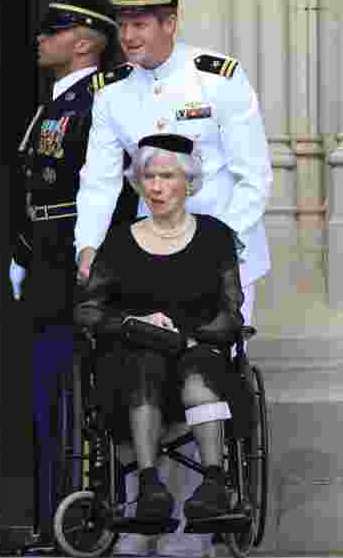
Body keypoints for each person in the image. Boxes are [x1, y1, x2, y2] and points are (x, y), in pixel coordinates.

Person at [74, 0, 272, 557]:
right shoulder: (112, 91)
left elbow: (253, 177)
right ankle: (144, 507)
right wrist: (88, 247)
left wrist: (218, 247)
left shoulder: (217, 79)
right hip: (148, 257)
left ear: (170, 22)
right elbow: (98, 181)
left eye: (141, 23)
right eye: (124, 24)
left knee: (200, 362)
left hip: (222, 255)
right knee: (139, 362)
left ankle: (199, 522)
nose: (129, 36)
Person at [7, 0, 137, 550]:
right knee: (46, 388)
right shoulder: (54, 103)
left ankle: (89, 512)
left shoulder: (104, 97)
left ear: (83, 42)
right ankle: (49, 515)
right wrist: (22, 249)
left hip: (83, 259)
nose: (41, 39)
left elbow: (112, 189)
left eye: (52, 31)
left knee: (84, 388)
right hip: (45, 258)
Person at [74, 133, 246, 533]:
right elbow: (88, 311)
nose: (156, 187)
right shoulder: (120, 240)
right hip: (135, 355)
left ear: (189, 182)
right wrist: (136, 324)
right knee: (143, 367)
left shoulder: (215, 236)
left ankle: (214, 483)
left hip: (197, 347)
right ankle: (150, 485)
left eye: (167, 176)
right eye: (148, 177)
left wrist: (190, 335)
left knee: (199, 373)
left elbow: (231, 313)